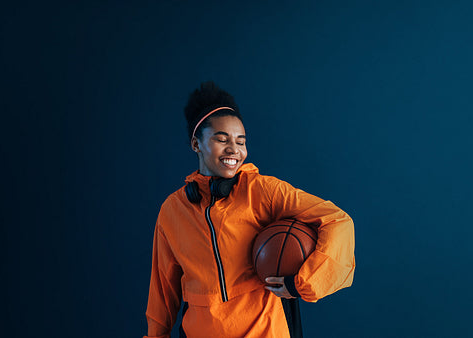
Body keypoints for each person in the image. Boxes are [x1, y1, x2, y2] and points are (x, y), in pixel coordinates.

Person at [143, 82, 355, 338]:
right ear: (196, 144)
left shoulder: (263, 191)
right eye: (222, 140)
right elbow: (162, 290)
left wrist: (302, 284)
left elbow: (337, 220)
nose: (234, 149)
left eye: (240, 141)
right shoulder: (172, 210)